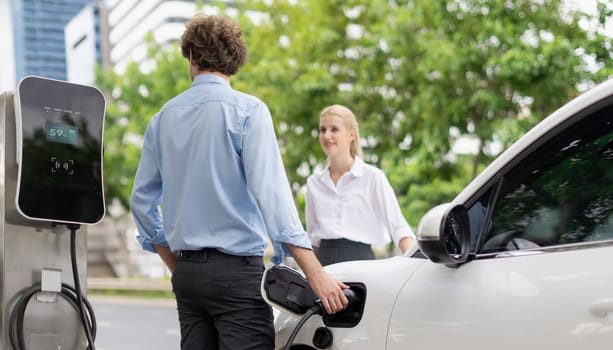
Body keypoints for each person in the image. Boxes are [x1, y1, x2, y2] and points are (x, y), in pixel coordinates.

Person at [129, 14, 348, 350]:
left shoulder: (161, 120)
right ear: (234, 61)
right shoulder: (248, 111)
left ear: (192, 57)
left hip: (187, 276)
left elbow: (142, 203)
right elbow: (272, 196)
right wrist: (315, 274)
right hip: (235, 275)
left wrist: (177, 264)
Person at [306, 104, 417, 266]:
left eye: (334, 129)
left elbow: (399, 228)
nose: (326, 135)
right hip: (323, 267)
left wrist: (415, 265)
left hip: (362, 264)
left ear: (351, 135)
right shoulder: (313, 183)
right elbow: (312, 238)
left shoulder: (372, 177)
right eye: (322, 130)